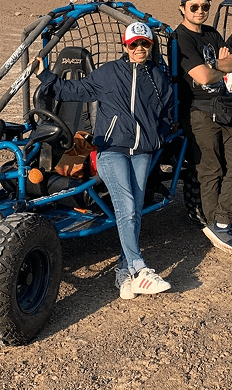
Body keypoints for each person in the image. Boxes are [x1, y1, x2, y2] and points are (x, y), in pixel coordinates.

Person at [34, 22, 173, 299]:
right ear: (125, 46)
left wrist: (159, 137)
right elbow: (72, 90)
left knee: (135, 208)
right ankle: (139, 268)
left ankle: (123, 271)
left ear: (151, 46)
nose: (139, 49)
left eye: (144, 44)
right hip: (111, 150)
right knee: (127, 205)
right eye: (134, 44)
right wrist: (46, 76)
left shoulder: (158, 78)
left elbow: (167, 113)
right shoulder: (109, 73)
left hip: (142, 151)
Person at [174, 0, 232, 256]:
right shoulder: (180, 39)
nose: (200, 11)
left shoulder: (212, 33)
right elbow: (203, 78)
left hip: (223, 106)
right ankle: (217, 223)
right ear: (182, 8)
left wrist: (214, 67)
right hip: (198, 110)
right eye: (194, 6)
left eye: (205, 6)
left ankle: (221, 221)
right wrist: (218, 67)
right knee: (210, 169)